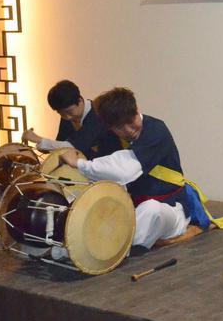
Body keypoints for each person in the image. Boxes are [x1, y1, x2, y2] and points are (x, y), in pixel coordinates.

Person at [59, 87, 203, 249]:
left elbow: (124, 169)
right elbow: (106, 172)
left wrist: (79, 164)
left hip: (170, 209)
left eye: (130, 121)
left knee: (151, 210)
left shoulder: (156, 130)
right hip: (130, 208)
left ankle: (115, 247)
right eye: (119, 127)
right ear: (110, 127)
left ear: (136, 110)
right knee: (80, 201)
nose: (128, 130)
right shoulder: (110, 137)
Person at [21, 80, 120, 158]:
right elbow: (61, 144)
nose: (67, 117)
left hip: (107, 169)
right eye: (61, 113)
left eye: (69, 111)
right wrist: (43, 147)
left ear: (80, 100)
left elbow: (75, 146)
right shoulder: (67, 117)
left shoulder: (98, 113)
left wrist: (39, 139)